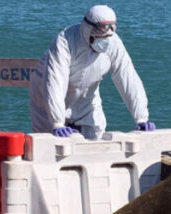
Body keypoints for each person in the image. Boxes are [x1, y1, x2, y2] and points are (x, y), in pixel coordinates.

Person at [29, 5, 156, 139]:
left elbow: (127, 77)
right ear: (88, 28)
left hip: (86, 99)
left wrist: (141, 117)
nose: (106, 37)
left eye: (111, 29)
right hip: (46, 101)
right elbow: (55, 82)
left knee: (96, 142)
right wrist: (57, 122)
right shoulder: (65, 41)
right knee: (50, 146)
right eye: (101, 30)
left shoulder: (113, 42)